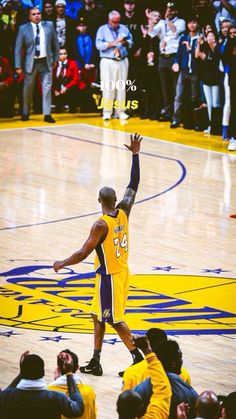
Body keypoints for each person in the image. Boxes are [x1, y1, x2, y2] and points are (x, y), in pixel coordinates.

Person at [53, 133, 143, 376]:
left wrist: (62, 262)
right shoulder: (124, 210)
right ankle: (96, 361)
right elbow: (133, 185)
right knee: (97, 316)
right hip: (119, 272)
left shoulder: (100, 225)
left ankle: (139, 358)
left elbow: (83, 253)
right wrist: (135, 155)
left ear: (99, 200)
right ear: (114, 200)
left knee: (113, 318)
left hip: (110, 277)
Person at [0, 351, 84, 419]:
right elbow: (78, 409)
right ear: (43, 372)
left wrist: (21, 373)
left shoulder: (6, 396)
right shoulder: (57, 398)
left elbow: (5, 394)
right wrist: (69, 373)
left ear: (23, 372)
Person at [14, 6, 59, 123]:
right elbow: (18, 48)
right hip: (31, 62)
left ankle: (47, 114)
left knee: (47, 88)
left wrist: (56, 59)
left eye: (38, 13)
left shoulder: (49, 25)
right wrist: (18, 66)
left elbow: (56, 44)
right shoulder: (23, 29)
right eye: (33, 14)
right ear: (29, 16)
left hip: (46, 61)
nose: (37, 16)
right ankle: (25, 112)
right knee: (28, 89)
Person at [117, 335, 172, 419]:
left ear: (118, 409)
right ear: (141, 409)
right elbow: (162, 388)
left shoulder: (130, 372)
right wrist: (148, 352)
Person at [148, 1, 186, 121]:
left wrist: (167, 19)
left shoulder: (181, 22)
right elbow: (151, 33)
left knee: (176, 88)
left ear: (176, 11)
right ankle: (167, 113)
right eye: (168, 9)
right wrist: (150, 19)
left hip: (174, 57)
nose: (169, 11)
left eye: (172, 10)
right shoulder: (161, 23)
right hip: (163, 57)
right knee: (165, 88)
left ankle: (176, 115)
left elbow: (175, 31)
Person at [95, 10, 133, 120]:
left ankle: (120, 111)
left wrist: (123, 42)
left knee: (121, 87)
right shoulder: (102, 29)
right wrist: (113, 43)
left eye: (118, 22)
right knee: (108, 87)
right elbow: (98, 45)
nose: (116, 24)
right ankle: (107, 111)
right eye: (114, 22)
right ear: (109, 20)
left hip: (122, 60)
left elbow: (131, 42)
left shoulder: (124, 28)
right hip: (108, 60)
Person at [48, 349, 97, 419]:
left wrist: (56, 382)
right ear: (77, 367)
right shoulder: (89, 392)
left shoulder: (49, 392)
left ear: (58, 369)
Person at [52, 46, 79, 113]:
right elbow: (50, 79)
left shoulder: (72, 63)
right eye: (60, 54)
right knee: (58, 110)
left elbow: (75, 79)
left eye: (65, 53)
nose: (63, 56)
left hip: (69, 88)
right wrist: (54, 90)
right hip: (57, 90)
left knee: (72, 110)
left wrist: (66, 88)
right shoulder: (54, 64)